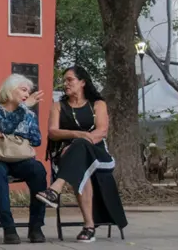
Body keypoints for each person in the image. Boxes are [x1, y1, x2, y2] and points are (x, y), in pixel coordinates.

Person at [36, 66, 127, 242]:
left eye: (70, 79)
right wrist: (78, 135)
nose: (65, 84)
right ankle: (88, 226)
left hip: (98, 155)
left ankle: (55, 188)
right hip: (66, 155)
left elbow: (101, 131)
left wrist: (81, 142)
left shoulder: (98, 105)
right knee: (80, 162)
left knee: (80, 150)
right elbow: (53, 132)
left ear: (83, 82)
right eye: (64, 80)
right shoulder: (58, 106)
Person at [0, 74, 47, 245]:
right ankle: (9, 228)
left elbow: (36, 139)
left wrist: (7, 135)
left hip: (19, 159)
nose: (27, 95)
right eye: (23, 90)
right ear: (10, 89)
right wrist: (15, 125)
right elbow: (4, 125)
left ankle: (36, 227)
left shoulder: (29, 113)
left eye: (28, 92)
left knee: (38, 169)